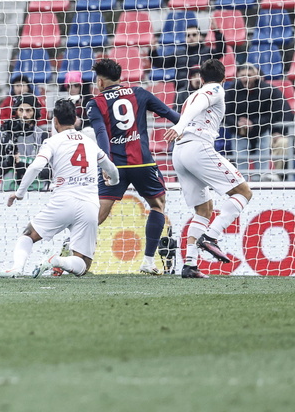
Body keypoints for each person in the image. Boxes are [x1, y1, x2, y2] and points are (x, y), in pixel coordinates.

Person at [0, 98, 120, 278]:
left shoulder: (53, 141)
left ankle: (17, 268)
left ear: (55, 121)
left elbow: (36, 166)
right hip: (89, 205)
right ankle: (57, 261)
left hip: (63, 201)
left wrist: (20, 193)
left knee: (28, 234)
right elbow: (112, 170)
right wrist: (113, 182)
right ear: (76, 119)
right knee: (83, 264)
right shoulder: (90, 143)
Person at [85, 58, 181, 275]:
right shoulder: (139, 93)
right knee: (157, 206)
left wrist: (105, 164)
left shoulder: (95, 103)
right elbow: (170, 115)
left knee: (99, 212)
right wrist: (188, 125)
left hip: (115, 165)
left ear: (100, 82)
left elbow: (101, 134)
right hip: (142, 163)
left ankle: (73, 249)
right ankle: (148, 261)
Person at [164, 59, 254, 279]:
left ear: (200, 78)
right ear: (224, 79)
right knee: (244, 192)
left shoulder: (190, 95)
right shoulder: (215, 89)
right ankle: (211, 236)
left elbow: (196, 104)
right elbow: (201, 103)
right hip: (197, 146)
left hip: (180, 153)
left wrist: (180, 127)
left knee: (204, 210)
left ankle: (190, 264)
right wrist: (179, 125)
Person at [224, 63, 293, 179]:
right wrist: (237, 123)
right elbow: (225, 113)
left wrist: (254, 123)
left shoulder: (268, 90)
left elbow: (275, 113)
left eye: (249, 75)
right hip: (238, 132)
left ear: (256, 76)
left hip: (262, 130)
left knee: (262, 167)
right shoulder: (231, 91)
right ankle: (243, 186)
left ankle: (260, 184)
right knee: (241, 170)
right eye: (243, 75)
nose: (246, 78)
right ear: (238, 76)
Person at [151, 23, 225, 107]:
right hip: (183, 96)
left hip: (204, 94)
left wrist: (217, 32)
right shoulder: (179, 54)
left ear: (200, 36)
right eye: (188, 35)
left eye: (194, 34)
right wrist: (153, 51)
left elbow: (221, 51)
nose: (191, 37)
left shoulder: (207, 52)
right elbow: (160, 63)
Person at [0, 92, 49, 191]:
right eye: (21, 110)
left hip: (36, 192)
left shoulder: (42, 136)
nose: (24, 115)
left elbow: (49, 172)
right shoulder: (6, 135)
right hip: (9, 191)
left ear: (35, 112)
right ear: (16, 111)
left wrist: (25, 166)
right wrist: (9, 162)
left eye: (28, 110)